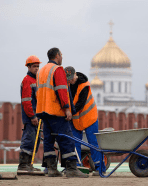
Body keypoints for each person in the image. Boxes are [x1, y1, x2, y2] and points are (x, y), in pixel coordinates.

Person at [36, 48, 88, 178]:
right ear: (57, 56)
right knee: (66, 139)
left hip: (43, 111)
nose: (62, 57)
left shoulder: (41, 70)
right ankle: (71, 169)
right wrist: (67, 109)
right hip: (55, 111)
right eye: (61, 55)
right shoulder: (57, 69)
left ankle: (52, 169)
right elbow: (61, 90)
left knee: (48, 140)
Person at [64, 66, 106, 176]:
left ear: (75, 75)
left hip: (89, 117)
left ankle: (100, 168)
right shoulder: (67, 85)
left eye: (71, 79)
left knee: (93, 142)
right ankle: (76, 167)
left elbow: (80, 104)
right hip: (77, 118)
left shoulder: (84, 85)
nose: (70, 81)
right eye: (68, 79)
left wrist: (69, 113)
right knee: (74, 142)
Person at [18, 55, 42, 172]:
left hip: (37, 117)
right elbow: (26, 101)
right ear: (28, 67)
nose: (36, 68)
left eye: (38, 66)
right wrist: (32, 116)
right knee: (29, 140)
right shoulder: (27, 80)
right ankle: (23, 165)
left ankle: (29, 165)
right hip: (31, 117)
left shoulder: (36, 80)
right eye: (34, 66)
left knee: (35, 141)